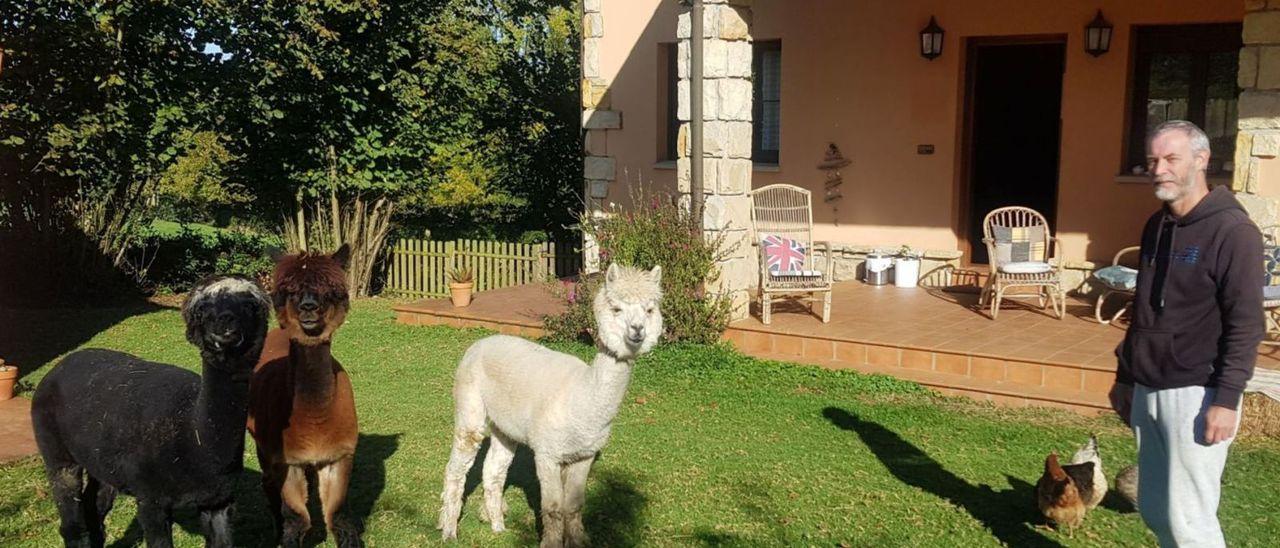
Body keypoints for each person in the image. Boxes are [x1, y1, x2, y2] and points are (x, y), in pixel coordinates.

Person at [1109, 120, 1263, 547]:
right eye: (1153, 160)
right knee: (1158, 510)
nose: (1160, 169)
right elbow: (1142, 310)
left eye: (1171, 159)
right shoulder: (1156, 226)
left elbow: (1247, 323)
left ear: (1202, 160)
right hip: (1148, 385)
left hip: (1197, 392)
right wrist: (1125, 376)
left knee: (1189, 519)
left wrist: (1226, 399)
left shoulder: (1234, 233)